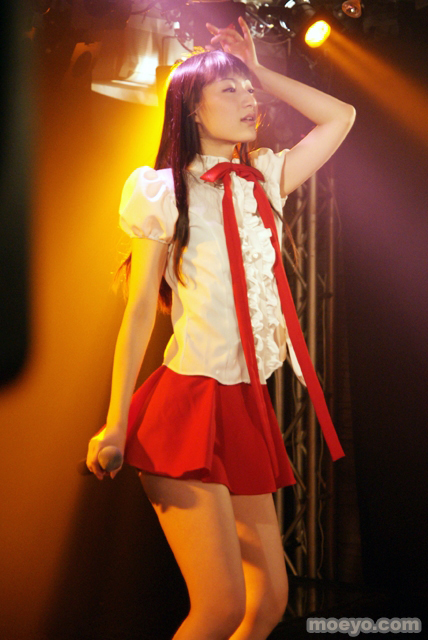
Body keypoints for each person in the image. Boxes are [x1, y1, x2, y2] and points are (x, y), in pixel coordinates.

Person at [86, 16, 355, 640]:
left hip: (244, 406)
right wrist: (115, 421)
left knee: (268, 605)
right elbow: (137, 314)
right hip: (186, 403)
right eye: (230, 89)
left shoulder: (265, 180)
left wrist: (259, 69)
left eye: (248, 89)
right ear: (193, 109)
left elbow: (341, 116)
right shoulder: (164, 191)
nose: (248, 99)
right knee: (221, 607)